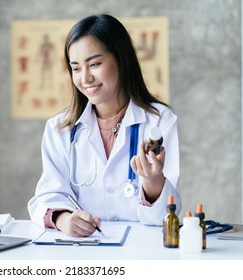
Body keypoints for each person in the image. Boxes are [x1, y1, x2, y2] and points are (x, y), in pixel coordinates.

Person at [27, 14, 181, 237]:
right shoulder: (59, 129)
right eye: (76, 68)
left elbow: (165, 217)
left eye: (95, 64)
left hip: (144, 251)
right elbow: (47, 196)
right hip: (83, 251)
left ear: (121, 59)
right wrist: (64, 219)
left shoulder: (159, 121)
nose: (86, 78)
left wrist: (153, 180)